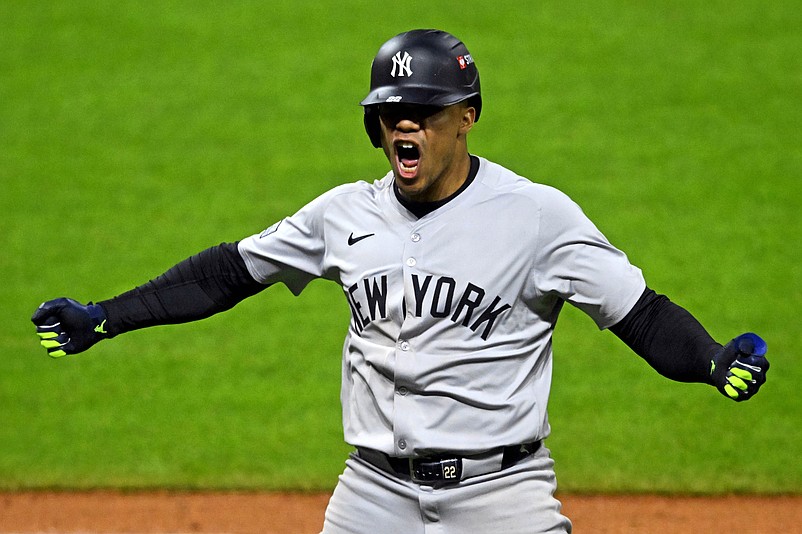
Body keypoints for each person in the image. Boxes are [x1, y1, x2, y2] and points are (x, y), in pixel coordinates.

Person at [32, 29, 769, 533]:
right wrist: (107, 316)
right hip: (373, 493)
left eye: (421, 112)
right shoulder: (342, 214)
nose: (402, 127)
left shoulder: (537, 217)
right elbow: (229, 272)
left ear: (466, 118)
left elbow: (639, 314)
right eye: (389, 114)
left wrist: (710, 360)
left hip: (501, 495)